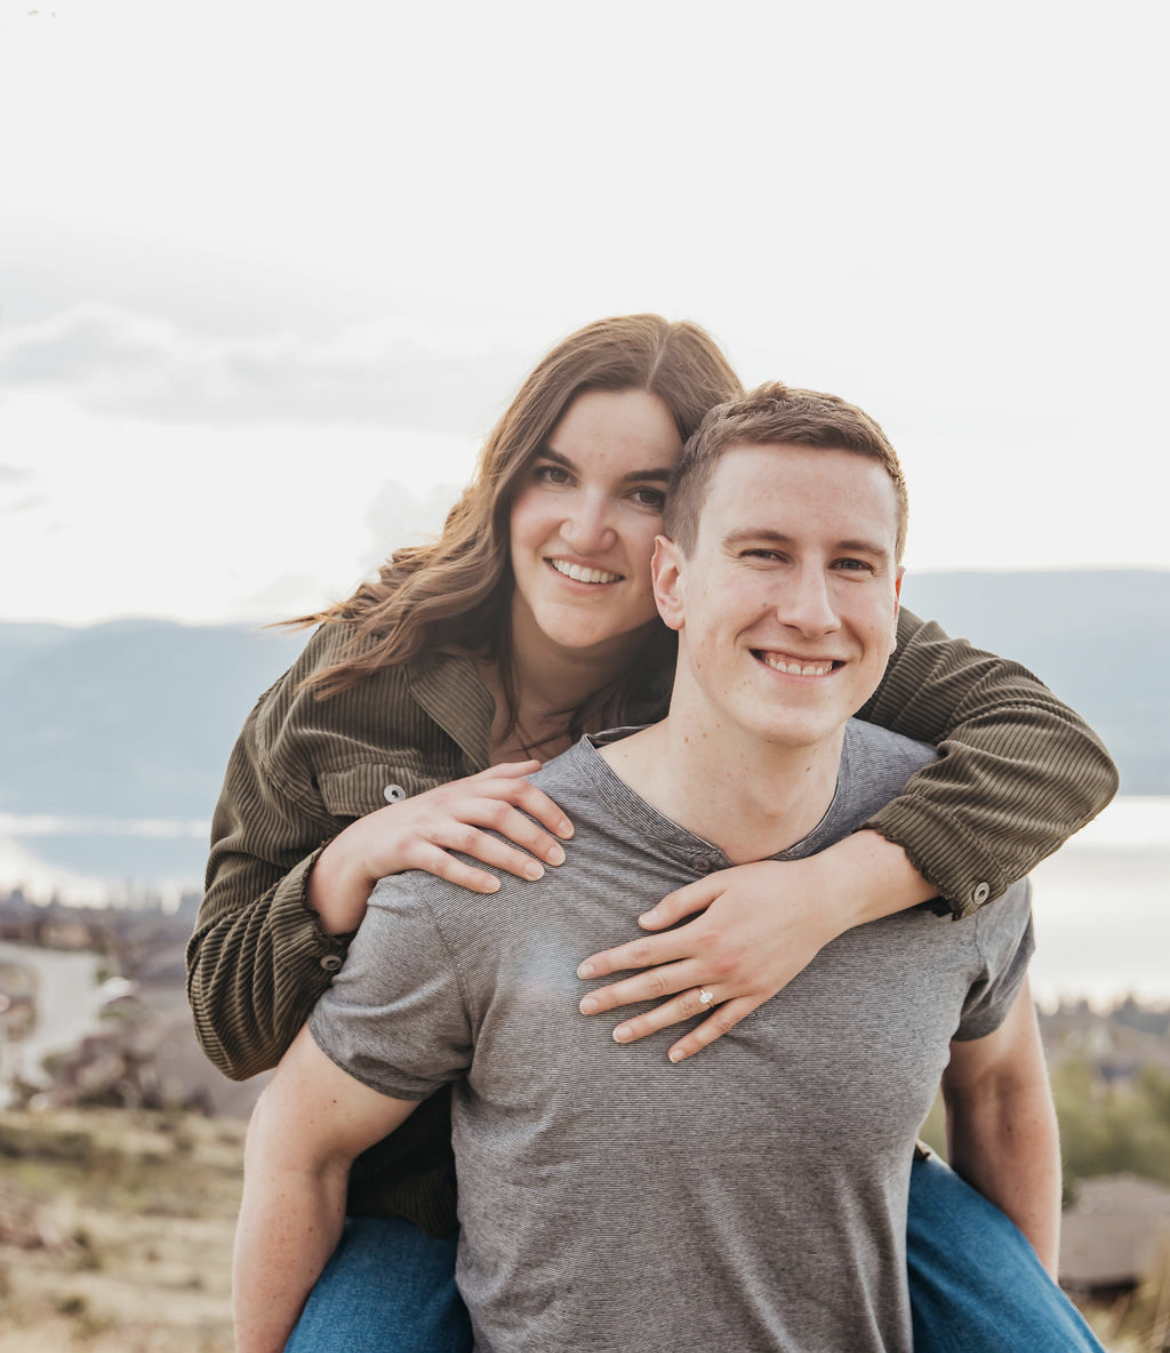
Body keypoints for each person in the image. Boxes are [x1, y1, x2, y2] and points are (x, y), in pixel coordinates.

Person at [189, 314, 1116, 1350]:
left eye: (641, 492)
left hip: (787, 1161)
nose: (590, 529)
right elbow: (232, 1021)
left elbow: (1054, 749)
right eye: (553, 473)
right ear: (505, 484)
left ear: (683, 532)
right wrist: (354, 859)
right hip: (418, 1183)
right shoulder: (356, 681)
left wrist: (823, 894)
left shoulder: (780, 627)